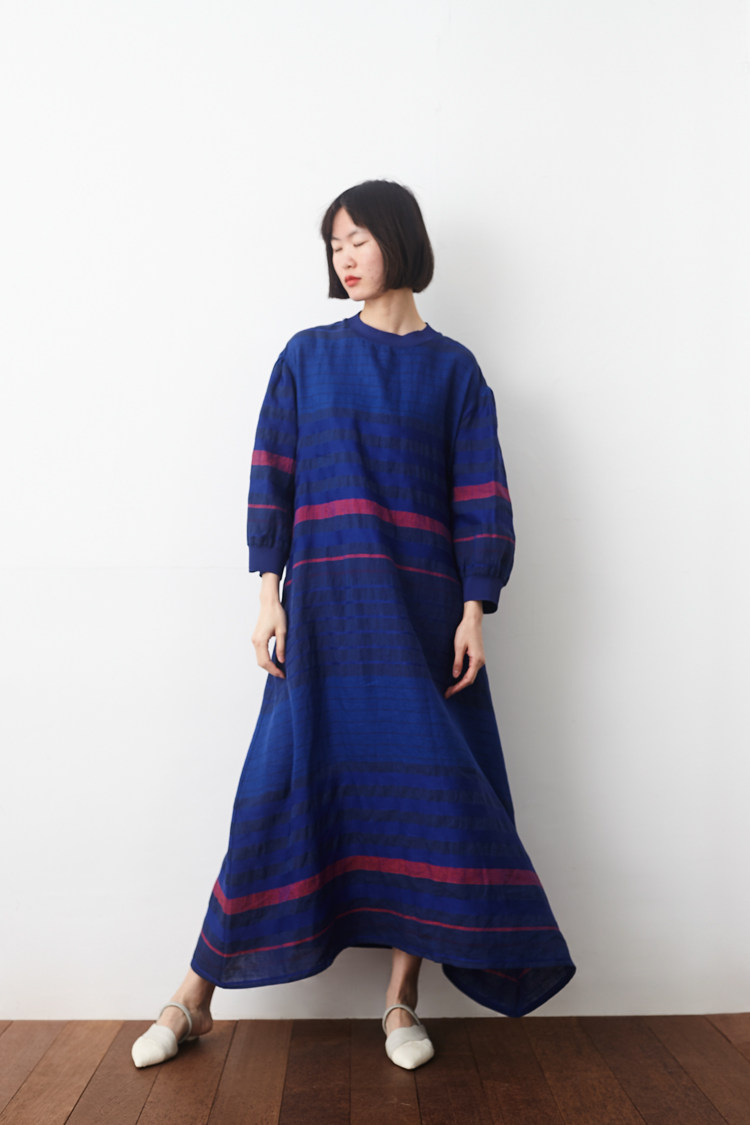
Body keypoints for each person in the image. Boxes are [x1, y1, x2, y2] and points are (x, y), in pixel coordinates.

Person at [132, 179, 576, 1073]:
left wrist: (475, 610)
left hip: (423, 623)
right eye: (334, 243)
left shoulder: (455, 371)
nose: (344, 256)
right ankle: (193, 996)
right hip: (328, 618)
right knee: (274, 796)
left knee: (431, 804)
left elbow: (480, 497)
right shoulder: (307, 357)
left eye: (358, 238)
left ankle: (401, 999)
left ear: (400, 241)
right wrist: (268, 596)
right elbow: (273, 477)